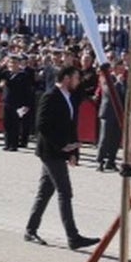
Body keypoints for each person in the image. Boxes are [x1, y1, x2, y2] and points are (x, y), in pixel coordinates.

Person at [24, 65, 99, 250]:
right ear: (66, 78)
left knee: (45, 192)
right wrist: (62, 147)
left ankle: (30, 229)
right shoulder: (51, 96)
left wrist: (73, 152)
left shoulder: (70, 98)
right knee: (65, 192)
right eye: (75, 78)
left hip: (61, 151)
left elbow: (71, 127)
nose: (78, 81)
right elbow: (42, 125)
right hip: (50, 152)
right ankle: (73, 237)